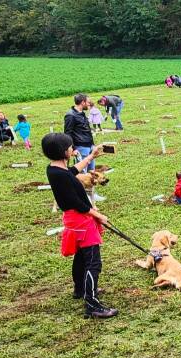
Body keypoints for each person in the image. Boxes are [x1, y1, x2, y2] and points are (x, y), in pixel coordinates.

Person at [41, 133, 116, 319]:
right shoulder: (61, 175)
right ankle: (92, 304)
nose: (72, 149)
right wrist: (99, 216)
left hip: (75, 220)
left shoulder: (55, 170)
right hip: (81, 220)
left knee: (82, 257)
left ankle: (80, 289)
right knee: (93, 263)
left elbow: (72, 172)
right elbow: (79, 204)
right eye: (69, 147)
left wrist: (91, 156)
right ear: (63, 151)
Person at [64, 94, 97, 178]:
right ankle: (82, 191)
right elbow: (68, 133)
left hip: (90, 146)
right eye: (88, 102)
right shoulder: (70, 115)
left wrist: (93, 145)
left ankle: (90, 191)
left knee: (91, 172)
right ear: (83, 102)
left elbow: (87, 130)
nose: (89, 104)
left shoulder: (82, 113)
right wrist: (73, 149)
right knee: (82, 174)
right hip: (81, 148)